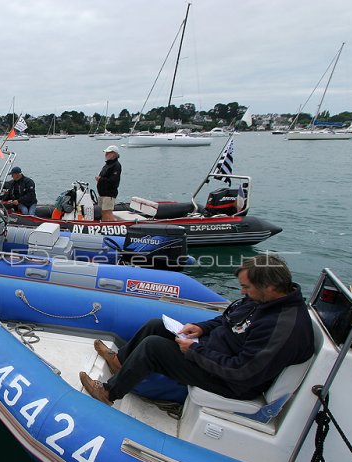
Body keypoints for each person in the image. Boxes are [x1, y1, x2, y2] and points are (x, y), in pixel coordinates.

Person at [79, 254, 315, 404]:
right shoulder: (262, 299)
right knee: (156, 325)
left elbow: (245, 372)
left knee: (153, 348)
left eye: (247, 287)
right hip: (213, 352)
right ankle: (120, 361)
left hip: (231, 381)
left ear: (270, 286)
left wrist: (194, 352)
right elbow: (228, 320)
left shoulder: (283, 327)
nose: (243, 292)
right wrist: (201, 329)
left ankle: (109, 393)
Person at [95, 146, 121, 222]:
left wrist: (101, 179)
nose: (106, 154)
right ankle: (104, 225)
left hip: (109, 193)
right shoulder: (107, 164)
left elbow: (114, 180)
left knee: (107, 212)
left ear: (114, 154)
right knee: (103, 212)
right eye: (106, 153)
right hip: (103, 193)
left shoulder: (116, 165)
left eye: (109, 153)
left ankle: (112, 226)